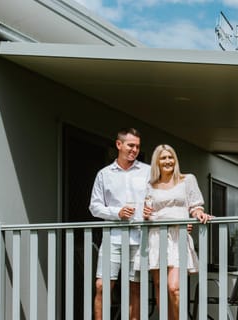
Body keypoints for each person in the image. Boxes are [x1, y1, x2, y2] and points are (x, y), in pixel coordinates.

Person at [134, 144, 211, 320]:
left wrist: (198, 214)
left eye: (170, 157)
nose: (168, 161)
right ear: (157, 162)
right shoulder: (151, 185)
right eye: (163, 158)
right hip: (156, 236)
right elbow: (146, 212)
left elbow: (195, 205)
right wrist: (145, 214)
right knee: (160, 287)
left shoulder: (187, 179)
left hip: (178, 236)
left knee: (174, 287)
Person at [89, 128, 151, 320]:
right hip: (113, 236)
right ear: (119, 145)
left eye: (137, 147)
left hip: (140, 237)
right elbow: (94, 206)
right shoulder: (104, 174)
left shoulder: (148, 172)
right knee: (102, 285)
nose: (134, 150)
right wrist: (117, 213)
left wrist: (151, 211)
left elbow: (157, 200)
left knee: (136, 287)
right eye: (131, 145)